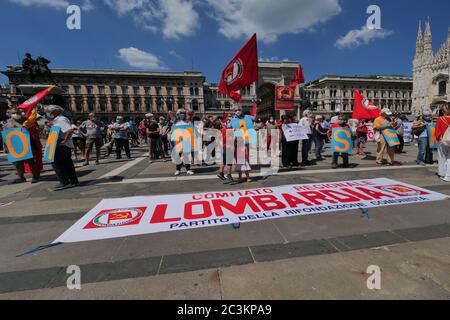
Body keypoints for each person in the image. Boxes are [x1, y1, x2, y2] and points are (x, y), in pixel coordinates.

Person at [45, 105, 79, 191]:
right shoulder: (58, 120)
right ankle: (73, 181)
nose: (48, 114)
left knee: (57, 163)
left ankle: (64, 182)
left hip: (61, 144)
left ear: (54, 112)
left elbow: (69, 130)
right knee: (67, 163)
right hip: (60, 143)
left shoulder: (61, 119)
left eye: (49, 112)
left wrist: (64, 140)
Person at [3, 108, 40, 184]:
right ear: (10, 114)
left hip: (27, 145)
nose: (15, 114)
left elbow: (35, 130)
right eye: (13, 113)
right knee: (17, 164)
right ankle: (21, 178)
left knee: (31, 162)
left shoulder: (27, 121)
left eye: (17, 112)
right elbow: (5, 137)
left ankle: (35, 176)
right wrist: (5, 147)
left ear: (20, 113)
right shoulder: (7, 124)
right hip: (14, 147)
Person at [171, 109, 194, 176]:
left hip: (186, 141)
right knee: (178, 155)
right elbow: (173, 132)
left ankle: (188, 169)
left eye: (183, 114)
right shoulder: (176, 123)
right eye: (179, 114)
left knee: (186, 156)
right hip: (178, 141)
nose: (181, 115)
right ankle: (178, 170)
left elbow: (191, 132)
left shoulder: (188, 122)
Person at [436, 103, 450, 182]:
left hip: (443, 141)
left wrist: (438, 139)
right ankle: (448, 175)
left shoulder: (440, 119)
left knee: (442, 157)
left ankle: (443, 173)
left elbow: (437, 132)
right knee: (449, 158)